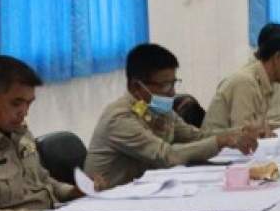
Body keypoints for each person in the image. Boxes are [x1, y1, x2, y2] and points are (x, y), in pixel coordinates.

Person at [86, 44, 258, 189]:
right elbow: (166, 156)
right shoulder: (119, 118)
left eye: (174, 83)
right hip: (106, 202)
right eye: (165, 85)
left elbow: (195, 136)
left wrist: (237, 133)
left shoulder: (158, 109)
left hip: (143, 192)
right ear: (136, 87)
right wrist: (220, 141)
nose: (172, 93)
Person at [0, 57, 90, 211]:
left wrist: (72, 192)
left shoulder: (20, 134)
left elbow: (43, 180)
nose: (24, 112)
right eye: (16, 103)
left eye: (29, 104)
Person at [202, 24, 280, 134]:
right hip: (215, 145)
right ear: (277, 57)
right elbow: (245, 137)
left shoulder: (264, 81)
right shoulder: (246, 83)